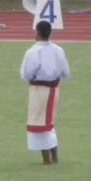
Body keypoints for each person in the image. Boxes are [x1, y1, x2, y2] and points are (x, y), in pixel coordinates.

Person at [21, 20, 71, 165]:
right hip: (54, 89)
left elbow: (27, 73)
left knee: (40, 123)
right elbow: (66, 72)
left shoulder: (33, 51)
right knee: (48, 122)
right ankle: (52, 157)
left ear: (37, 32)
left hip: (39, 90)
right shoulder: (58, 50)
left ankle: (48, 159)